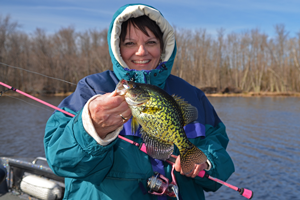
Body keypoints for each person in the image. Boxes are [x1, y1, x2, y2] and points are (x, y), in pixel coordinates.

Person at [44, 3, 234, 200]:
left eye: (151, 42)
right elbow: (59, 159)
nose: (141, 52)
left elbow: (218, 149)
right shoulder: (91, 90)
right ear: (117, 48)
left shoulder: (191, 95)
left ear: (163, 47)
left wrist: (206, 162)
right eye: (129, 43)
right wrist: (91, 128)